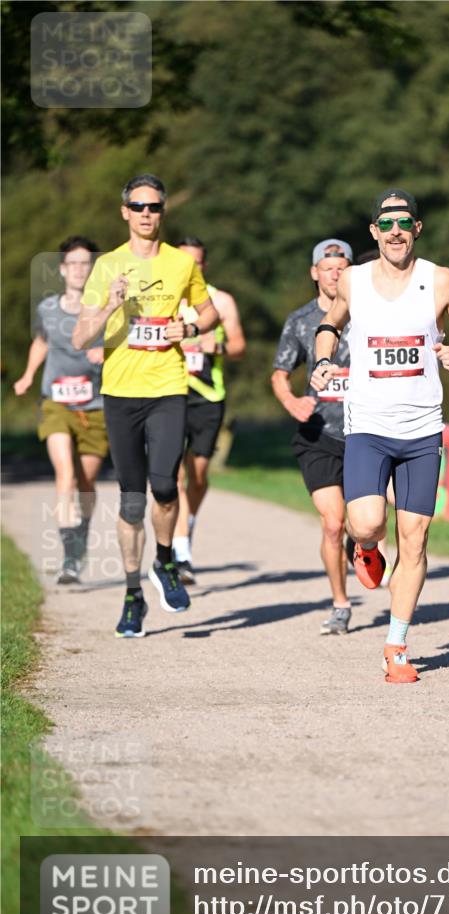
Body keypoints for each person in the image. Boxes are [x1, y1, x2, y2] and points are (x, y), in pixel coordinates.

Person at [311, 189, 449, 681]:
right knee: (367, 524)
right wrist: (324, 360)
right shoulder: (353, 280)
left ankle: (396, 645)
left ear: (416, 229)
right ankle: (365, 548)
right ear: (373, 232)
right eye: (385, 224)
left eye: (403, 223)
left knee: (415, 537)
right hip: (367, 424)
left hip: (422, 426)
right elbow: (330, 322)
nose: (394, 231)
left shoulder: (441, 280)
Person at [72, 174, 218, 637]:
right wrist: (109, 306)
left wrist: (191, 329)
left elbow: (209, 310)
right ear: (125, 212)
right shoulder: (107, 266)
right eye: (138, 206)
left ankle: (167, 561)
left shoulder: (180, 264)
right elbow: (80, 337)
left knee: (166, 484)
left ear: (163, 211)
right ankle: (133, 594)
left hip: (168, 387)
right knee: (132, 500)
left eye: (154, 207)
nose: (146, 214)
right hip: (120, 393)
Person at [272, 238, 356, 635]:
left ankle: (363, 545)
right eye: (328, 267)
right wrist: (291, 402)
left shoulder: (369, 314)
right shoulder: (301, 320)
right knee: (332, 524)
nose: (335, 274)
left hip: (365, 431)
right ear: (315, 273)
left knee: (364, 524)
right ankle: (340, 604)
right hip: (318, 433)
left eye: (342, 267)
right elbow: (279, 374)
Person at [14, 235, 107, 585]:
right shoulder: (48, 309)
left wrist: (107, 354)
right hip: (55, 402)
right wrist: (26, 375)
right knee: (65, 475)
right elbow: (41, 342)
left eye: (87, 263)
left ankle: (79, 538)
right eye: (74, 264)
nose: (80, 270)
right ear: (63, 269)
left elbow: (125, 346)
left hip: (95, 407)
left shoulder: (104, 308)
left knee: (86, 483)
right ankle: (69, 559)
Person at [171, 236, 246, 584]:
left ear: (204, 265)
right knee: (175, 475)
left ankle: (188, 523)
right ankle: (181, 550)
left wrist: (213, 343)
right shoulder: (163, 297)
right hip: (168, 393)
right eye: (186, 261)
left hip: (208, 396)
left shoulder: (221, 301)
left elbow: (238, 346)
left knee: (198, 474)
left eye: (197, 263)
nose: (192, 268)